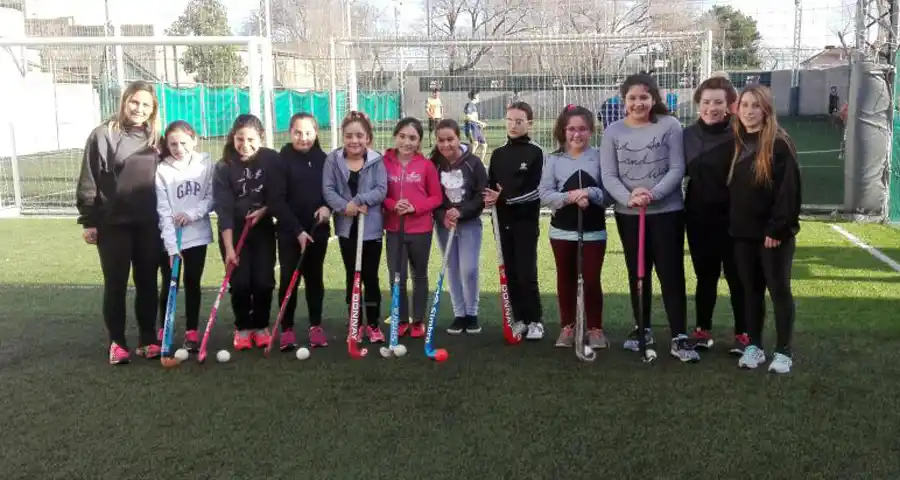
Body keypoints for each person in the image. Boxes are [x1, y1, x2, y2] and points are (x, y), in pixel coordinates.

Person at [599, 72, 698, 363]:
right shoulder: (613, 131)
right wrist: (629, 197)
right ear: (624, 101)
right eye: (632, 98)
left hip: (667, 212)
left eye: (644, 97)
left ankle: (679, 334)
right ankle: (642, 328)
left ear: (653, 99)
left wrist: (652, 194)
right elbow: (609, 174)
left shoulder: (670, 125)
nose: (638, 103)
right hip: (629, 213)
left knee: (671, 272)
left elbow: (677, 168)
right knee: (637, 271)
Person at [75, 80, 163, 365]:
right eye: (134, 102)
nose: (139, 109)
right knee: (116, 283)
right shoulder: (103, 134)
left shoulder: (155, 137)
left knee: (147, 281)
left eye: (146, 105)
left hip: (149, 224)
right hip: (113, 224)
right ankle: (117, 343)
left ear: (153, 109)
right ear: (125, 101)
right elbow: (89, 177)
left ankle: (148, 339)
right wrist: (89, 221)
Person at [728, 84, 801, 374]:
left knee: (779, 290)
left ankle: (783, 351)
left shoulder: (779, 143)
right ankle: (754, 346)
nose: (749, 111)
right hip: (742, 234)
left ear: (766, 109)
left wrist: (777, 229)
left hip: (772, 237)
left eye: (755, 106)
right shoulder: (736, 142)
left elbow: (789, 191)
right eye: (744, 105)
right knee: (750, 292)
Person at [682, 76, 748, 355]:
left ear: (729, 105)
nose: (712, 108)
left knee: (738, 277)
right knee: (705, 276)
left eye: (718, 102)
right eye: (706, 101)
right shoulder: (686, 135)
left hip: (735, 220)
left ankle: (744, 333)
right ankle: (702, 330)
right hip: (699, 219)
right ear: (698, 104)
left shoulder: (741, 133)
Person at [539, 105, 610, 349]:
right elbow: (545, 194)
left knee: (591, 279)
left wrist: (589, 192)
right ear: (563, 131)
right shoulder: (554, 159)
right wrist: (570, 197)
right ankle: (567, 327)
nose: (576, 134)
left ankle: (595, 328)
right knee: (566, 278)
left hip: (593, 229)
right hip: (562, 230)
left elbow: (609, 194)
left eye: (582, 129)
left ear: (591, 130)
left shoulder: (600, 156)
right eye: (571, 129)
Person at [212, 114, 279, 351]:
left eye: (251, 139)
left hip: (262, 228)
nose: (245, 145)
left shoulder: (271, 159)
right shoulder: (223, 166)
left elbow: (278, 194)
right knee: (240, 283)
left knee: (263, 282)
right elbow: (224, 210)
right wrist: (229, 248)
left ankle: (260, 326)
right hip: (234, 230)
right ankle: (242, 327)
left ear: (261, 138)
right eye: (240, 139)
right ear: (233, 137)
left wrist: (265, 210)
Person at [267, 113, 332, 350]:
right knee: (288, 280)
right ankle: (287, 329)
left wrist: (327, 207)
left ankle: (316, 326)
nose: (303, 138)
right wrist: (297, 231)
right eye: (298, 133)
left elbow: (331, 191)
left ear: (316, 133)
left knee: (314, 279)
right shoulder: (280, 160)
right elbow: (276, 201)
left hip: (317, 231)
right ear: (290, 133)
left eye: (308, 133)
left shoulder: (324, 159)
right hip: (289, 232)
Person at [323, 111, 388, 343]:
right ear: (343, 137)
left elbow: (381, 189)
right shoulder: (333, 160)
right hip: (346, 228)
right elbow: (328, 189)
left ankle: (373, 324)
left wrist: (360, 200)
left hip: (371, 229)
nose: (354, 140)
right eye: (349, 136)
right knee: (353, 276)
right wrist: (345, 207)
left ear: (367, 138)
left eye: (359, 135)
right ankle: (355, 324)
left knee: (370, 277)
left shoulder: (376, 160)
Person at [483, 101, 545, 340]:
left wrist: (505, 198)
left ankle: (535, 320)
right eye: (509, 120)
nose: (513, 125)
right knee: (509, 271)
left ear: (530, 124)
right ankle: (518, 319)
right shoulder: (498, 154)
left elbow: (538, 191)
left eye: (519, 121)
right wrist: (489, 200)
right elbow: (490, 188)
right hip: (501, 223)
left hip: (525, 222)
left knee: (526, 272)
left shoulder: (536, 152)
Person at [155, 120, 214, 353]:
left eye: (183, 143)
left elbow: (211, 198)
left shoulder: (206, 165)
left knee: (192, 282)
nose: (178, 148)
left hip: (197, 236)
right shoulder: (162, 170)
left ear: (194, 140)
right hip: (170, 237)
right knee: (170, 283)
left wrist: (191, 214)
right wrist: (171, 246)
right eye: (173, 144)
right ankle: (164, 328)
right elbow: (163, 210)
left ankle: (191, 331)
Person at [383, 117, 443, 338]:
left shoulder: (426, 165)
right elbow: (380, 193)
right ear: (395, 136)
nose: (407, 142)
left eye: (412, 138)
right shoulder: (384, 163)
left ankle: (418, 320)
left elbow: (436, 197)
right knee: (396, 277)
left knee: (419, 276)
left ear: (419, 142)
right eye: (402, 136)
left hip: (421, 230)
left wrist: (415, 207)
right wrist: (392, 205)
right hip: (394, 229)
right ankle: (400, 319)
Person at [431, 119, 488, 334]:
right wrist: (442, 214)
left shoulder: (473, 163)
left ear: (458, 138)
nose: (446, 145)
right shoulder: (434, 164)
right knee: (452, 268)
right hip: (445, 224)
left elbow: (481, 195)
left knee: (469, 269)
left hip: (469, 223)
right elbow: (432, 196)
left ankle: (472, 313)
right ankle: (459, 314)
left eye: (450, 139)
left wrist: (462, 211)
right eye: (441, 140)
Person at [463, 90, 488, 160]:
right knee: (475, 144)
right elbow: (468, 117)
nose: (479, 97)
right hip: (471, 126)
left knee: (484, 145)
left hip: (476, 127)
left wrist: (479, 124)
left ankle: (481, 163)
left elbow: (474, 118)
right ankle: (467, 162)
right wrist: (480, 122)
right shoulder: (469, 105)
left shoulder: (473, 106)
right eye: (478, 95)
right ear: (475, 97)